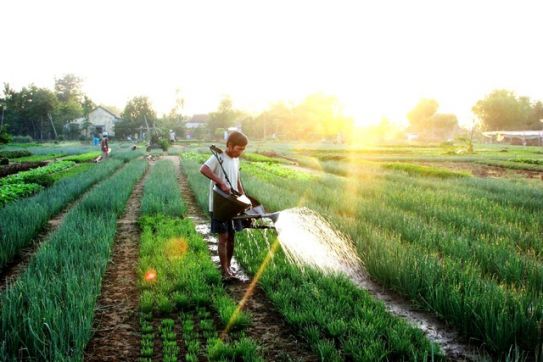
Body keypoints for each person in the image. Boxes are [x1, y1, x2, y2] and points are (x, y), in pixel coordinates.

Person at [200, 131, 248, 279]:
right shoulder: (219, 157)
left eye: (243, 149)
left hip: (232, 204)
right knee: (224, 238)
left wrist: (244, 196)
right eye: (239, 148)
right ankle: (224, 270)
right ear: (229, 145)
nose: (241, 152)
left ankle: (229, 265)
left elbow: (237, 179)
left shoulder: (236, 159)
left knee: (232, 237)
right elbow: (204, 169)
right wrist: (221, 182)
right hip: (220, 204)